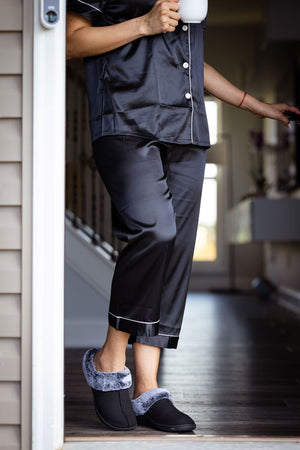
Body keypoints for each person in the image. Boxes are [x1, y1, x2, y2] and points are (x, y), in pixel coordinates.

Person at [66, 0, 300, 433]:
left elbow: (186, 60)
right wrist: (144, 23)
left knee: (175, 249)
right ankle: (108, 358)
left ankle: (147, 388)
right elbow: (71, 41)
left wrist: (255, 105)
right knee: (155, 230)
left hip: (187, 129)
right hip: (125, 120)